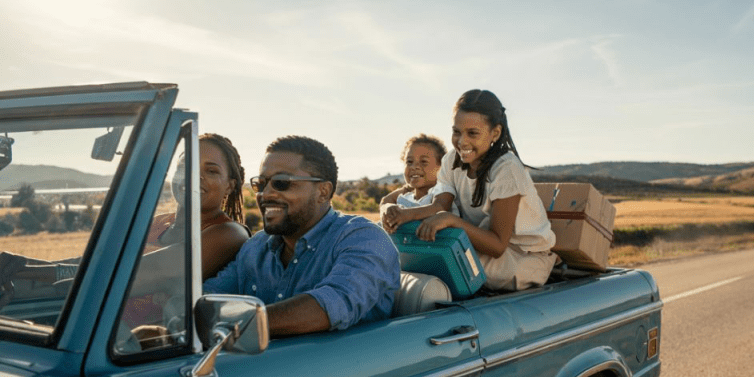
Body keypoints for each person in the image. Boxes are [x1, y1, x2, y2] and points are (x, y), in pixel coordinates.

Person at [0, 133, 250, 308]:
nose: (194, 177)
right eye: (185, 166)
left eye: (211, 171)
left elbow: (128, 275)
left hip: (144, 350)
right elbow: (95, 263)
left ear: (231, 185)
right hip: (102, 330)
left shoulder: (228, 234)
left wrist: (26, 272)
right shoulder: (157, 223)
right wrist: (21, 262)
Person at [203, 135, 400, 337]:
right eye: (261, 184)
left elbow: (329, 306)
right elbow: (208, 297)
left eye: (282, 183)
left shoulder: (364, 238)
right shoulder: (255, 247)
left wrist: (231, 323)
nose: (266, 194)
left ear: (323, 191)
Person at [414, 89, 557, 291]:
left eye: (472, 133)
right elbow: (439, 206)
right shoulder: (451, 160)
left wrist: (452, 221)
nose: (462, 141)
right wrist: (403, 215)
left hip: (522, 256)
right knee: (430, 257)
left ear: (495, 133)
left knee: (449, 269)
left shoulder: (506, 168)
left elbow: (498, 246)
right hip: (479, 247)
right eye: (456, 132)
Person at [379, 134, 457, 233]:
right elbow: (386, 200)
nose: (414, 166)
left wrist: (407, 215)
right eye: (409, 162)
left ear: (441, 167)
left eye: (424, 162)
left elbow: (440, 207)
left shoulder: (442, 188)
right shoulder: (406, 196)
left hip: (437, 244)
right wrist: (387, 209)